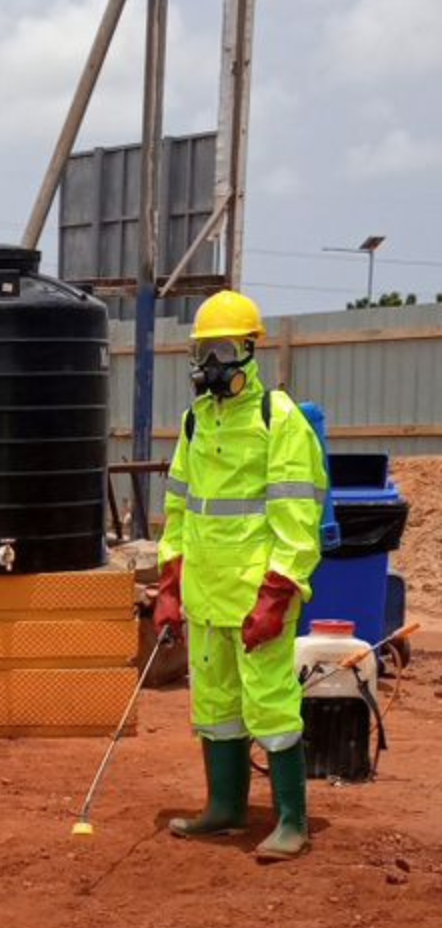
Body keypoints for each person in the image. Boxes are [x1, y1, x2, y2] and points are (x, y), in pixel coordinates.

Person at [154, 290, 327, 861]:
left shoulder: (279, 421)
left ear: (250, 350)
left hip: (258, 595)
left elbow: (298, 516)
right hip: (206, 595)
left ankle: (291, 821)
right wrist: (170, 584)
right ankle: (225, 809)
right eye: (203, 350)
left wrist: (278, 592)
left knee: (271, 705)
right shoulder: (195, 422)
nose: (210, 364)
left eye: (223, 349)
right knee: (216, 706)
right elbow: (179, 509)